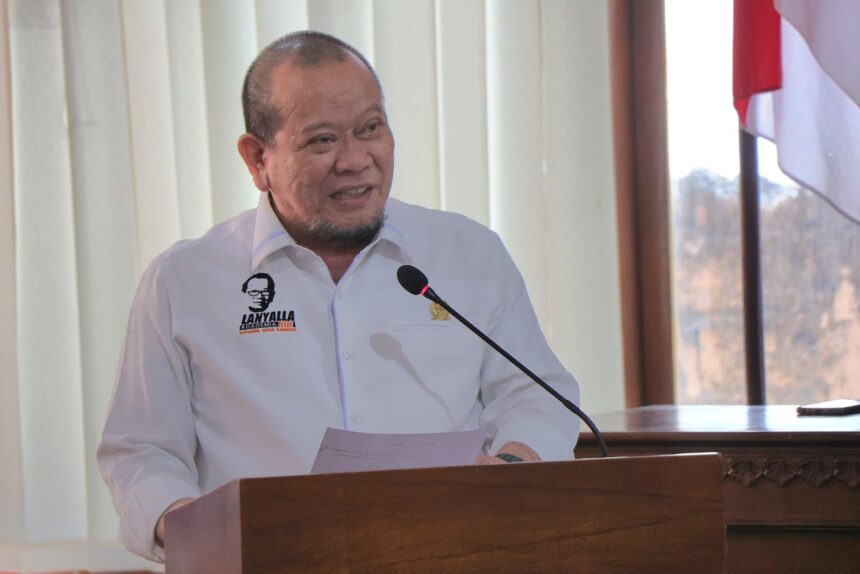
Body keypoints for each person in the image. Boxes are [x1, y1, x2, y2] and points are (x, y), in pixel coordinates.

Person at [97, 30, 580, 563]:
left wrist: (511, 466)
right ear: (258, 159)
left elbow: (539, 396)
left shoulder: (469, 254)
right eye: (321, 140)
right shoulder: (183, 280)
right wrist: (191, 527)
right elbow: (141, 451)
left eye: (370, 129)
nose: (355, 160)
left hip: (451, 554)